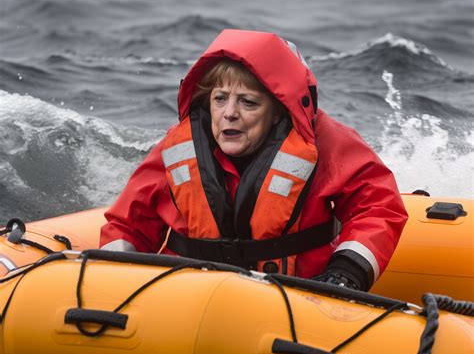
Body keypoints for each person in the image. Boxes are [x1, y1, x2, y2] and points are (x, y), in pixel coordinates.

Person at [100, 29, 408, 291]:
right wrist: (111, 284)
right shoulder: (179, 148)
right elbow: (128, 225)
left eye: (248, 102)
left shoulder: (324, 142)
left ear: (278, 110)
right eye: (220, 99)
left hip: (300, 299)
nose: (229, 113)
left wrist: (347, 271)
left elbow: (379, 207)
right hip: (188, 299)